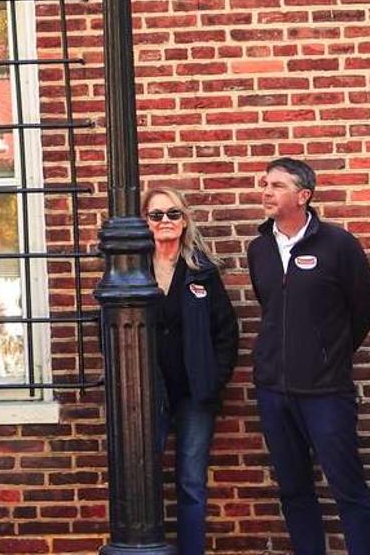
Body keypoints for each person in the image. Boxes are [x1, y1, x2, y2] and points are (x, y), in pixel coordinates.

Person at [244, 158, 370, 555]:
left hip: (325, 393)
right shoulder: (260, 249)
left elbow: (363, 311)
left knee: (348, 489)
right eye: (265, 183)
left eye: (278, 185)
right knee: (294, 490)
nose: (267, 191)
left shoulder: (339, 245)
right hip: (273, 391)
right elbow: (270, 308)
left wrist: (327, 355)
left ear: (303, 196)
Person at [143, 186, 238, 555]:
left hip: (195, 394)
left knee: (191, 482)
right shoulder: (132, 271)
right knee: (143, 481)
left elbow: (227, 332)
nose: (165, 221)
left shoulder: (202, 271)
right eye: (156, 215)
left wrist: (213, 381)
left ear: (184, 221)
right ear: (145, 223)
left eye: (173, 214)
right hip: (147, 395)